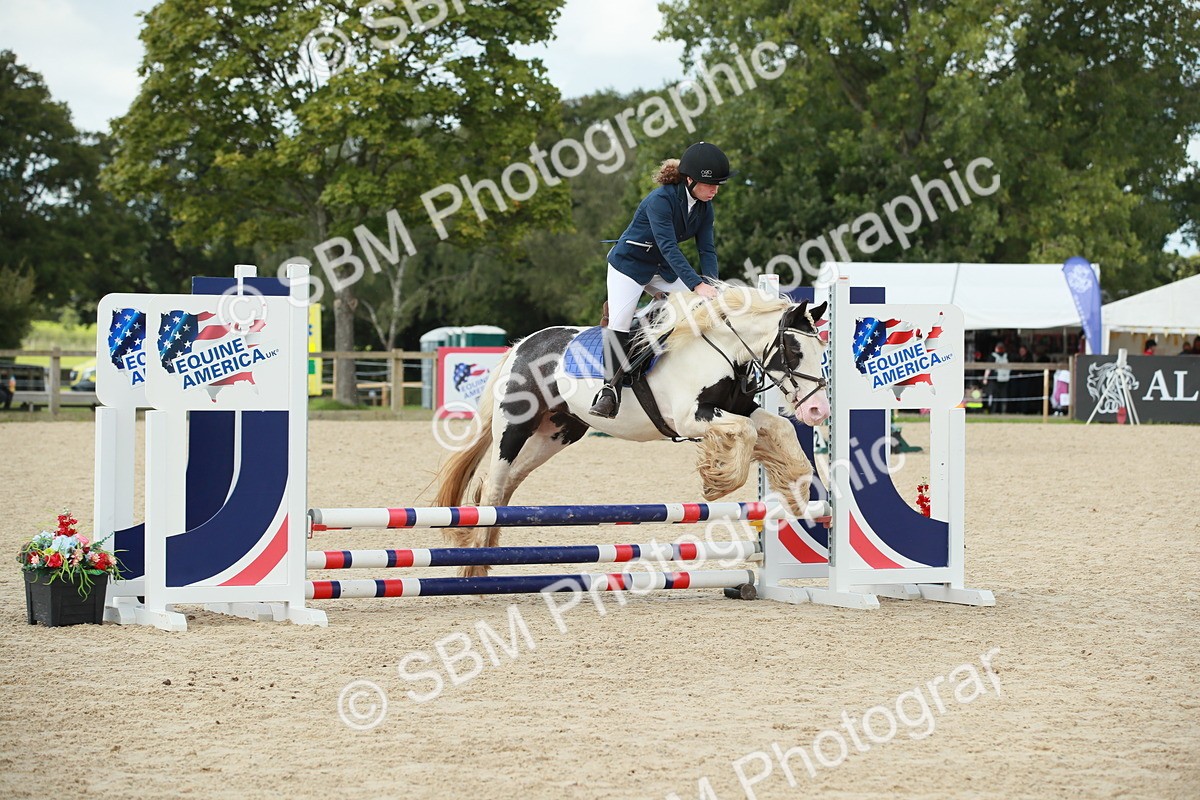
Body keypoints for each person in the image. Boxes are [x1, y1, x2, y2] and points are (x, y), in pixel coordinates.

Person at [589, 142, 734, 417]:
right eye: (710, 183)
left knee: (696, 307)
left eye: (718, 184)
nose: (715, 189)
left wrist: (713, 286)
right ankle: (609, 390)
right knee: (619, 324)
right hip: (629, 267)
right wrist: (696, 284)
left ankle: (653, 333)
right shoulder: (660, 200)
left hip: (661, 269)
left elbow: (707, 249)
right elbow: (669, 246)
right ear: (690, 180)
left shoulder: (705, 207)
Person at [982, 341, 1011, 414]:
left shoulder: (992, 356)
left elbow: (988, 368)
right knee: (1003, 396)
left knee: (993, 396)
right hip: (1005, 379)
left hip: (994, 379)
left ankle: (992, 411)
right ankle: (1003, 411)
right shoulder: (1007, 356)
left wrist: (985, 378)